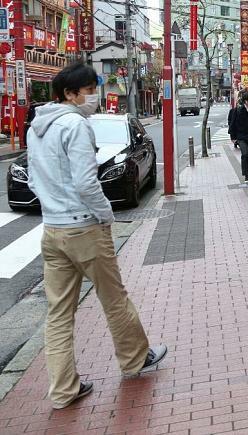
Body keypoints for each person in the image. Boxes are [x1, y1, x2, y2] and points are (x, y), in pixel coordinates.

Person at [26, 63, 167, 410]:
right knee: (113, 297)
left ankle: (63, 390)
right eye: (88, 90)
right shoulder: (75, 125)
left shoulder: (35, 128)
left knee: (59, 312)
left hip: (52, 229)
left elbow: (32, 179)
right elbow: (87, 182)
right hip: (84, 227)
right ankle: (135, 359)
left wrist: (52, 205)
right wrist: (105, 216)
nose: (94, 96)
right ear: (69, 94)